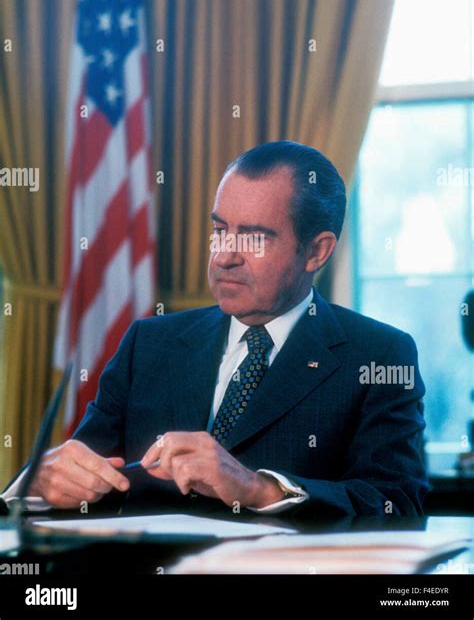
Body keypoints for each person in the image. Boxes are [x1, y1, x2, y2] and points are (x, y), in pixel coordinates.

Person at [1, 141, 429, 518]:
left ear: (317, 251)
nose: (225, 256)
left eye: (254, 238)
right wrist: (38, 484)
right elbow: (81, 475)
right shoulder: (148, 345)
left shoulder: (379, 355)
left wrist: (259, 490)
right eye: (220, 230)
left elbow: (399, 503)